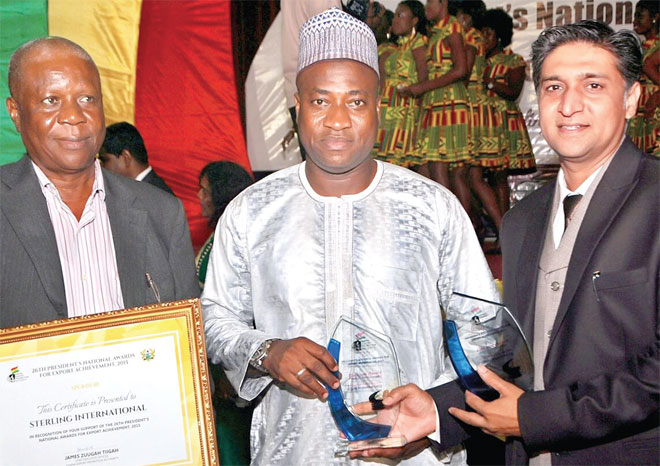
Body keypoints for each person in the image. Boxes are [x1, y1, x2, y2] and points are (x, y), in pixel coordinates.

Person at [351, 20, 659, 465]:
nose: (570, 105)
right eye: (554, 87)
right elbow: (517, 361)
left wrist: (536, 417)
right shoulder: (521, 221)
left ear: (631, 99)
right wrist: (437, 410)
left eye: (593, 85)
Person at [202, 8, 499, 466]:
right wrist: (266, 351)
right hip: (295, 449)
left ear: (379, 109)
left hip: (412, 455)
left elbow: (482, 324)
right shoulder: (252, 211)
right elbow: (216, 317)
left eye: (356, 101)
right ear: (297, 107)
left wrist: (436, 415)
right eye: (321, 101)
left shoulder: (431, 207)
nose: (338, 120)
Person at [0, 37, 199, 328]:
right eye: (51, 101)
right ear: (16, 113)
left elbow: (187, 342)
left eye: (86, 99)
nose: (73, 116)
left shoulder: (161, 213)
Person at [195, 161, 254, 466]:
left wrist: (233, 369)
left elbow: (246, 310)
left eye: (204, 190)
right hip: (217, 367)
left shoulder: (234, 235)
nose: (199, 196)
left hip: (233, 370)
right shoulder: (219, 231)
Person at [406, 0, 471, 215]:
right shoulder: (436, 31)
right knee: (431, 166)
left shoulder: (452, 26)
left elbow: (461, 69)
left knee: (440, 165)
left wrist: (423, 86)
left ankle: (455, 226)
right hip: (436, 100)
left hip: (449, 100)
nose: (426, 7)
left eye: (430, 2)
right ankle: (447, 223)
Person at [456, 0, 504, 234]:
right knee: (472, 176)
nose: (458, 21)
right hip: (473, 106)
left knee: (462, 173)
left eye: (461, 16)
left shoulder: (471, 38)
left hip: (472, 107)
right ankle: (489, 227)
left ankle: (476, 227)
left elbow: (464, 74)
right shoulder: (474, 37)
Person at [481, 9, 535, 215]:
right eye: (481, 33)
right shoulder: (477, 60)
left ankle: (504, 226)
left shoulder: (514, 61)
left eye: (489, 33)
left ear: (499, 35)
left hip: (502, 122)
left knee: (498, 175)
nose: (484, 38)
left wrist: (490, 83)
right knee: (474, 176)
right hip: (480, 121)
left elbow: (513, 92)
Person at [372, 1, 428, 168]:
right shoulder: (392, 48)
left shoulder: (420, 44)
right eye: (395, 15)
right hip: (387, 112)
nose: (395, 20)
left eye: (400, 15)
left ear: (415, 20)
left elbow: (424, 82)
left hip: (405, 115)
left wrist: (419, 122)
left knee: (402, 170)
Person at [99, 121, 175, 195]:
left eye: (104, 160)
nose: (100, 166)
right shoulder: (146, 189)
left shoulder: (156, 195)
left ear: (126, 158)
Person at [627, 0, 659, 156]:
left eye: (640, 16)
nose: (635, 21)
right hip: (640, 107)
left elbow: (648, 67)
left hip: (655, 108)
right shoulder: (643, 46)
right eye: (634, 16)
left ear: (655, 17)